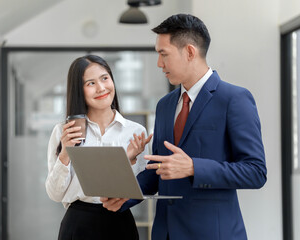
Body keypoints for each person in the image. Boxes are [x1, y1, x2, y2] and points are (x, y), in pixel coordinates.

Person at [101, 14, 267, 240]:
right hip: (165, 233)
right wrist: (125, 195)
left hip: (213, 234)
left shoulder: (234, 99)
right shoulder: (165, 105)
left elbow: (255, 172)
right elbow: (158, 170)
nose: (159, 64)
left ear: (189, 52)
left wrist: (193, 168)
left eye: (163, 54)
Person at [45, 54, 152, 240]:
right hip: (78, 224)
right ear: (79, 90)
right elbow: (55, 194)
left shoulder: (135, 132)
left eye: (105, 78)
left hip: (120, 223)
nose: (101, 88)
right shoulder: (64, 131)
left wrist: (127, 158)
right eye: (90, 83)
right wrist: (65, 153)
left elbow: (141, 188)